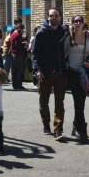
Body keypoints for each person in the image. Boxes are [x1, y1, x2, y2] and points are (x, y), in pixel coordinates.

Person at [31, 8, 69, 141]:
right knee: (43, 102)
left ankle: (58, 130)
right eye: (51, 16)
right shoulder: (41, 33)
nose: (54, 17)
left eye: (56, 16)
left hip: (60, 73)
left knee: (60, 102)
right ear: (47, 17)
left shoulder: (64, 32)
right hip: (45, 72)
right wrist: (37, 70)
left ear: (60, 17)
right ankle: (46, 124)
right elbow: (34, 53)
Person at [63, 14, 89, 140]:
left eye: (80, 21)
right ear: (72, 23)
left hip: (85, 73)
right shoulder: (68, 37)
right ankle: (81, 129)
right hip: (73, 72)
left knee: (81, 101)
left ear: (83, 23)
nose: (78, 23)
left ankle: (76, 127)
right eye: (75, 21)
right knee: (78, 100)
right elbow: (64, 54)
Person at [10, 24, 28, 90]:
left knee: (14, 71)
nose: (22, 31)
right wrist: (24, 44)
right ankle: (18, 85)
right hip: (18, 54)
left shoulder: (12, 34)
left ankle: (15, 85)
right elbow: (17, 45)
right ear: (19, 28)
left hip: (13, 54)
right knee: (20, 70)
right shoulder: (17, 35)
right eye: (22, 29)